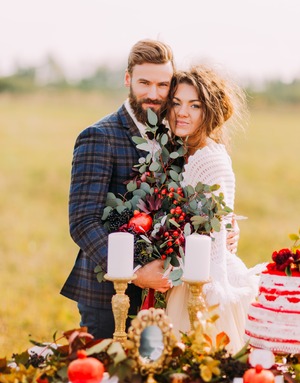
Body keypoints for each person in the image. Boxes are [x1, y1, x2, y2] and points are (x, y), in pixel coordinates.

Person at [61, 39, 239, 340]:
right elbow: (83, 221)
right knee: (110, 376)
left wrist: (222, 227)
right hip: (108, 292)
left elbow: (192, 196)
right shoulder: (99, 137)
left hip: (167, 292)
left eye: (163, 84)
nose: (153, 94)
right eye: (144, 82)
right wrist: (136, 270)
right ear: (128, 78)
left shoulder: (177, 133)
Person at [165, 65, 264, 353]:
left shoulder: (209, 159)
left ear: (208, 112)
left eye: (194, 105)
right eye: (176, 103)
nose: (182, 112)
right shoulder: (181, 150)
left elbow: (215, 236)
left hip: (202, 280)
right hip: (184, 272)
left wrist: (209, 294)